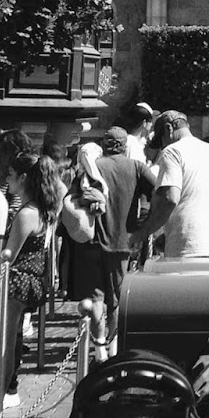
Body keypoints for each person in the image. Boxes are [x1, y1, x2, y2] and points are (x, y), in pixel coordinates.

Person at [0, 153, 62, 415]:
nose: (7, 180)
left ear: (23, 178)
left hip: (15, 283)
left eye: (11, 175)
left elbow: (8, 255)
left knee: (1, 345)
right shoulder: (45, 210)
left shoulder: (26, 214)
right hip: (30, 283)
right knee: (8, 343)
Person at [58, 129, 151, 322]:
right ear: (124, 146)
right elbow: (160, 195)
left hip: (92, 241)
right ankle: (113, 338)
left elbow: (69, 203)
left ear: (104, 145)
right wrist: (144, 228)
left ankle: (99, 341)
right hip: (123, 241)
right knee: (118, 296)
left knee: (95, 298)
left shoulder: (90, 168)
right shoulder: (137, 167)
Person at [132, 111, 209, 260]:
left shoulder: (172, 151)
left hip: (187, 247)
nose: (162, 146)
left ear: (169, 129)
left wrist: (141, 234)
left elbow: (170, 199)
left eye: (162, 140)